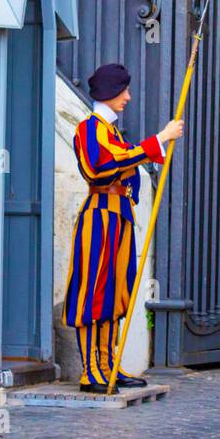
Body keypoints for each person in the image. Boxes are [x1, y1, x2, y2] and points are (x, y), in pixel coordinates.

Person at [66, 63, 184, 393]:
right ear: (111, 92)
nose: (129, 98)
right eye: (124, 91)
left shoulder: (112, 131)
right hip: (100, 216)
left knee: (116, 293)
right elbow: (103, 166)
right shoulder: (90, 129)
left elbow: (127, 159)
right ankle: (92, 371)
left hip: (119, 217)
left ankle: (109, 364)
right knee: (94, 290)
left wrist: (156, 145)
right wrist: (159, 138)